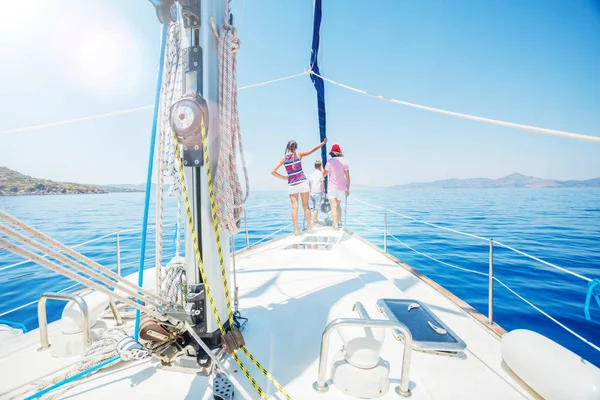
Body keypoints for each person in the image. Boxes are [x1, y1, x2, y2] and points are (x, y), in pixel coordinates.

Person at [271, 138, 327, 235]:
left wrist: (285, 177)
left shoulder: (283, 158)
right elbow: (312, 150)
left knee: (294, 207)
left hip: (292, 184)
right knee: (306, 206)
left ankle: (296, 230)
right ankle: (309, 228)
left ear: (287, 147)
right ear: (295, 148)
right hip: (302, 183)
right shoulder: (299, 155)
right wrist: (323, 143)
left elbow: (273, 172)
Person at [323, 144, 350, 229]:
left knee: (333, 205)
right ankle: (339, 223)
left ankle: (335, 225)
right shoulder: (345, 162)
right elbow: (347, 177)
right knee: (338, 205)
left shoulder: (329, 162)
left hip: (332, 187)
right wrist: (348, 188)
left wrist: (321, 170)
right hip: (341, 187)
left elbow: (324, 174)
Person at [308, 160, 325, 225]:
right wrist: (322, 193)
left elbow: (309, 183)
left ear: (314, 166)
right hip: (318, 193)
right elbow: (322, 183)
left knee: (314, 207)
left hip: (312, 193)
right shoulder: (320, 174)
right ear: (320, 166)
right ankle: (312, 223)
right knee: (317, 208)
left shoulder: (311, 174)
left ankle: (316, 220)